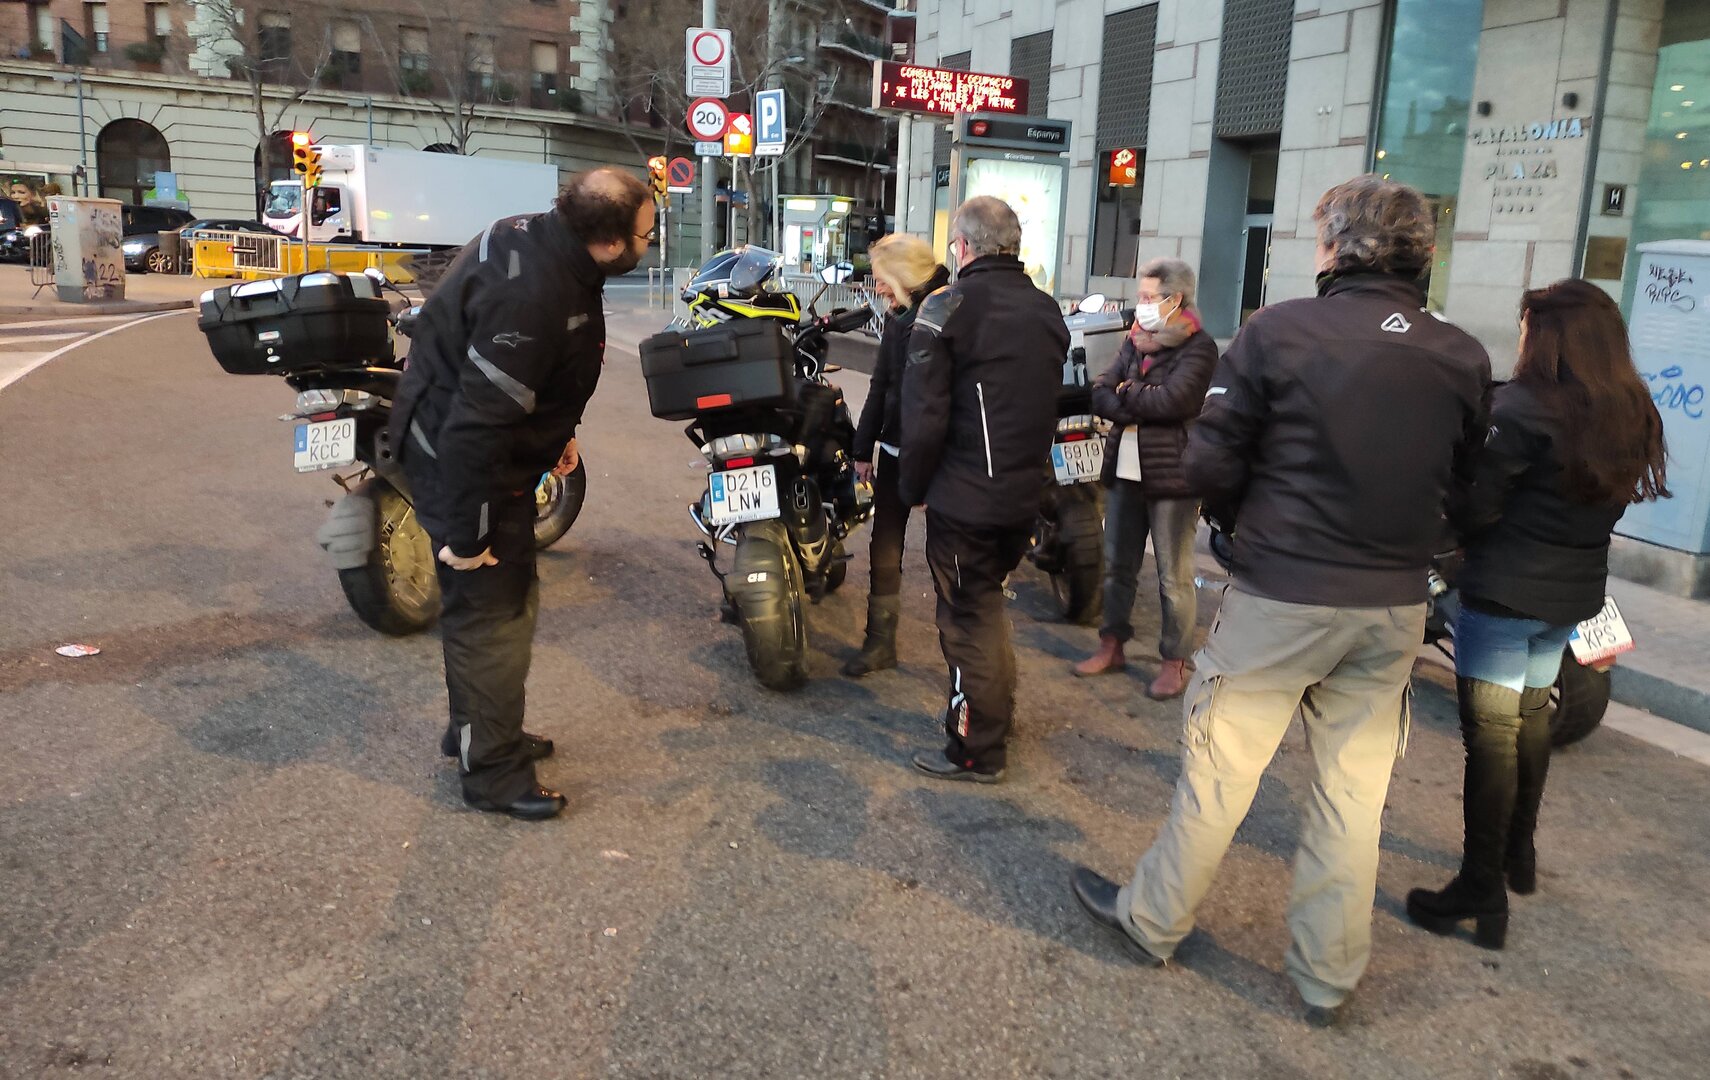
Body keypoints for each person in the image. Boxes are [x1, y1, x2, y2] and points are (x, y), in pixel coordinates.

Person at [1066, 175, 1491, 1025]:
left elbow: (1212, 463)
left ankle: (1153, 922)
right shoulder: (1461, 353)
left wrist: (1235, 527)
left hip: (1286, 590)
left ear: (1336, 249)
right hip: (1391, 606)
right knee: (1352, 795)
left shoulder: (1283, 331)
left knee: (1220, 772)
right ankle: (1327, 976)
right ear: (1422, 254)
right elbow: (1470, 489)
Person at [1407, 280, 1668, 948]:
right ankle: (1516, 856)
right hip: (1571, 596)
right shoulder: (1630, 407)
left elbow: (1474, 509)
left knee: (1490, 738)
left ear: (1546, 335)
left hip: (1505, 595)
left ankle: (1480, 887)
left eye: (1526, 326)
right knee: (1526, 720)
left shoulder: (1519, 408)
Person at [393, 167, 654, 821]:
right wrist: (469, 537)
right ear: (608, 239)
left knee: (486, 613)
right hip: (468, 467)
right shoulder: (534, 294)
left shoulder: (538, 241)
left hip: (478, 448)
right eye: (646, 234)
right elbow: (476, 428)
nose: (651, 244)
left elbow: (537, 378)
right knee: (496, 616)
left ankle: (480, 731)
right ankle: (493, 774)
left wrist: (561, 434)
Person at [899, 196, 1069, 783]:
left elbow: (924, 416)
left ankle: (977, 748)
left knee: (968, 620)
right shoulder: (1046, 310)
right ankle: (994, 722)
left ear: (964, 246)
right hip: (1019, 494)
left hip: (965, 496)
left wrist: (911, 485)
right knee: (988, 607)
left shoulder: (947, 308)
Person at [1073, 257, 1217, 699]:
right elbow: (1099, 391)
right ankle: (1112, 644)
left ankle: (1175, 660)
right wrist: (1134, 397)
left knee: (1174, 577)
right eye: (1139, 297)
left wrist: (1128, 393)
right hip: (1124, 469)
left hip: (1173, 477)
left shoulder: (1200, 347)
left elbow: (1176, 402)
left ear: (1175, 300)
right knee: (1118, 566)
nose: (1141, 306)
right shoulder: (1135, 342)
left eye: (1149, 298)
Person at [843, 234, 951, 678]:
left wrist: (926, 467)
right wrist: (862, 448)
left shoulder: (947, 311)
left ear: (904, 273)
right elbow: (880, 384)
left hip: (938, 455)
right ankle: (879, 642)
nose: (878, 287)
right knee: (884, 545)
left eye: (883, 278)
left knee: (944, 553)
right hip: (892, 450)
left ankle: (961, 653)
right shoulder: (898, 315)